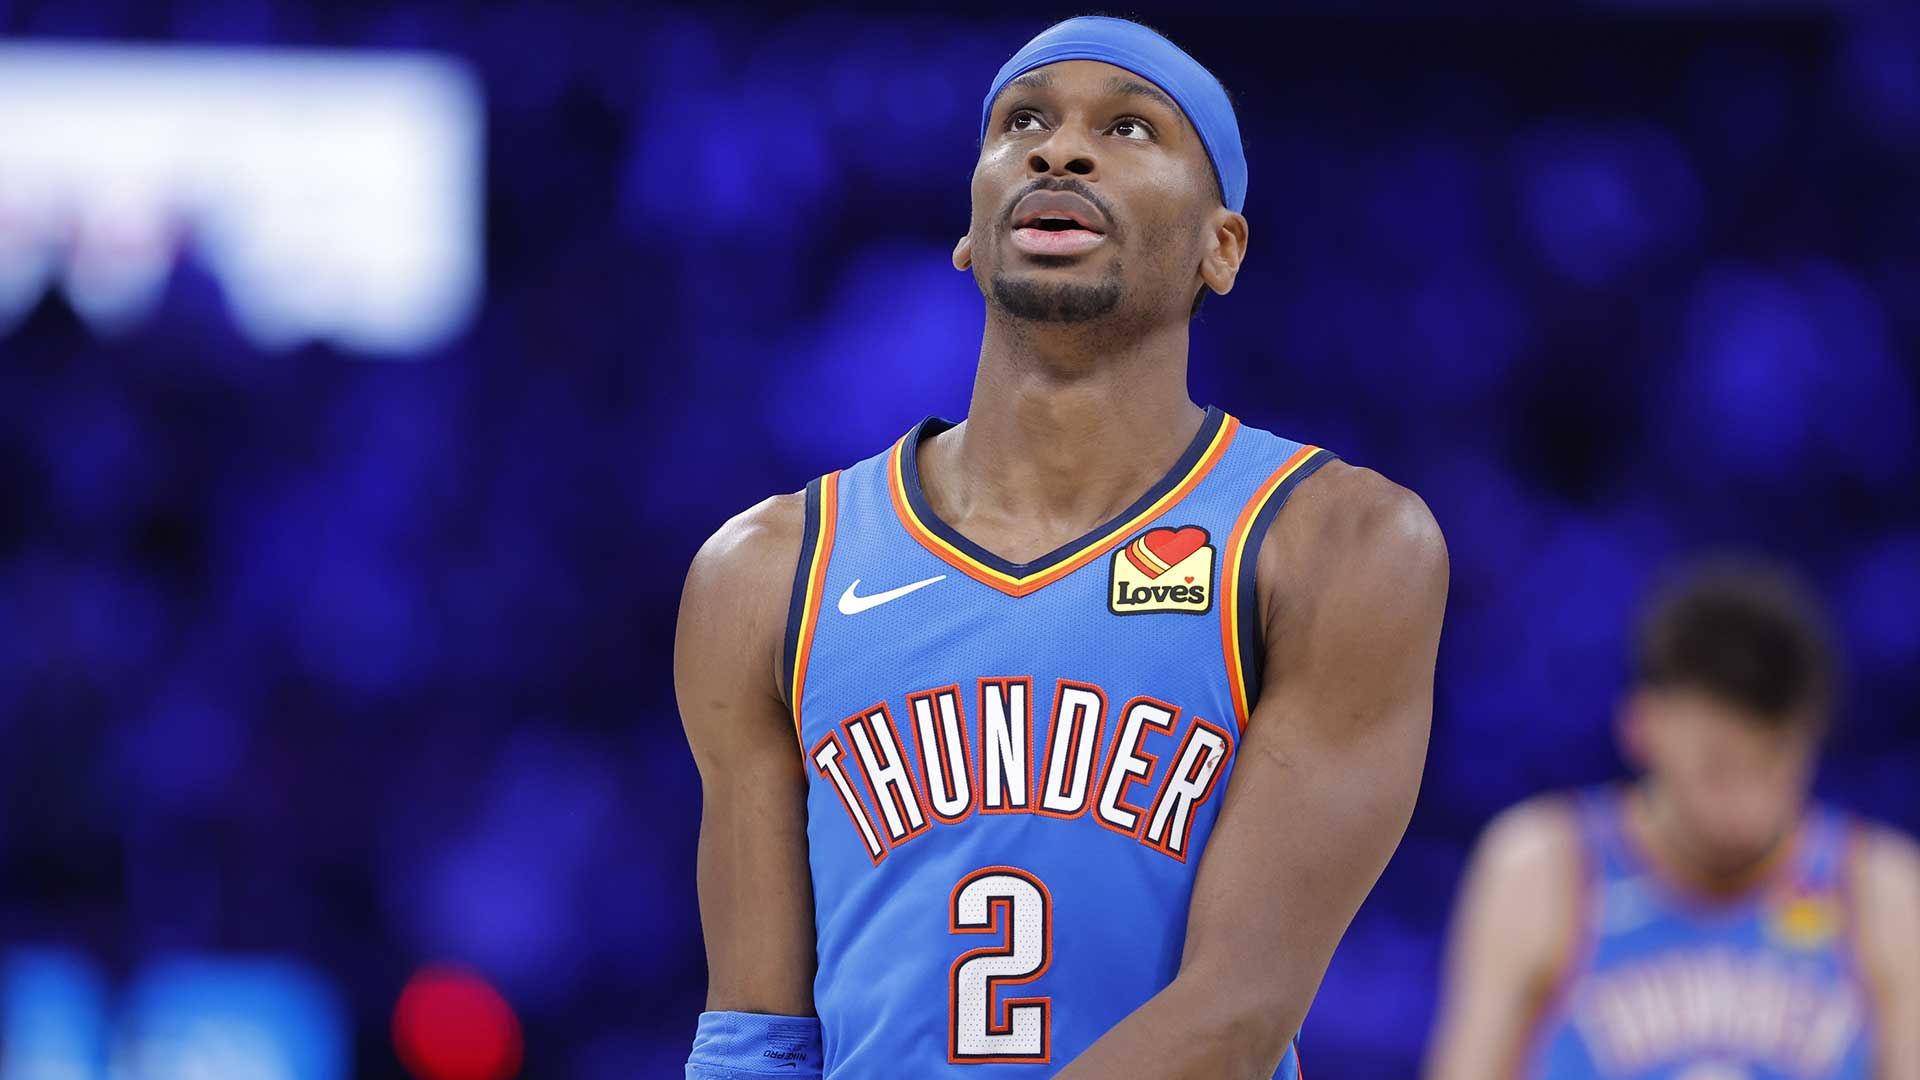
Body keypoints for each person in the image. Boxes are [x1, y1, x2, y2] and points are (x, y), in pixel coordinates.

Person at [678, 16, 1448, 1079]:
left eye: (1129, 128)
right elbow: (756, 1039)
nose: (1059, 149)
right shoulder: (768, 570)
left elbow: (1235, 1015)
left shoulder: (1334, 541)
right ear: (969, 228)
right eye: (1022, 124)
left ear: (1220, 248)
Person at [1425, 559, 1920, 1080]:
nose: (1748, 808)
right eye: (1718, 767)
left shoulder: (1882, 888)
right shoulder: (1544, 867)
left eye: (1775, 763)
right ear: (1642, 727)